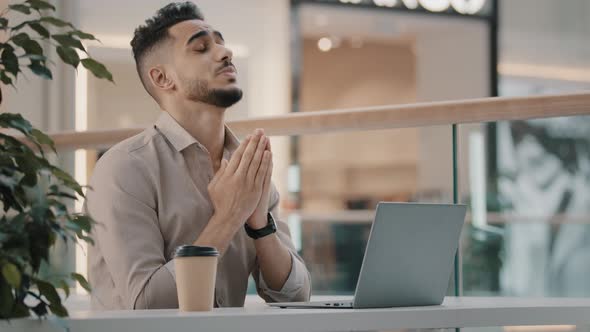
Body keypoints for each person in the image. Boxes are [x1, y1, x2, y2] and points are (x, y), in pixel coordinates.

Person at [84, 2, 311, 310]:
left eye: (220, 42)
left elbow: (295, 295)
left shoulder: (248, 169)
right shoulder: (124, 169)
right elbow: (148, 304)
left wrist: (260, 225)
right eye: (202, 48)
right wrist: (228, 217)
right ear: (163, 78)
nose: (224, 52)